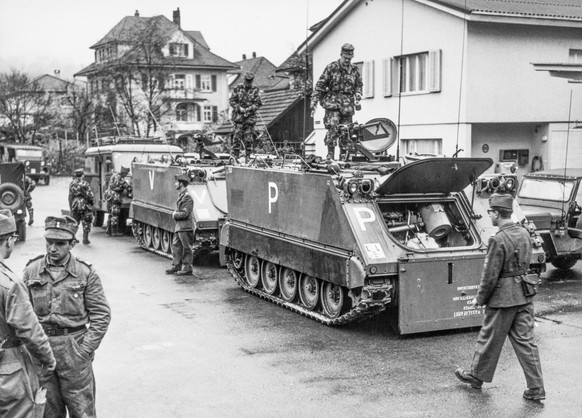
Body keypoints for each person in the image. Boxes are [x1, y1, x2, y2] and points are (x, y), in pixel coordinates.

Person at [455, 193, 545, 401]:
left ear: (496, 213)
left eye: (490, 212)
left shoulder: (498, 239)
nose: (490, 216)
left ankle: (476, 376)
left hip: (502, 298)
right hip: (524, 294)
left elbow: (490, 274)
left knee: (488, 338)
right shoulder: (524, 233)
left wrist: (480, 298)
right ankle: (536, 387)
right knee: (526, 342)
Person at [23, 215, 111, 417]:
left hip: (74, 348)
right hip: (41, 349)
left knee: (82, 410)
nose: (53, 248)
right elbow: (23, 314)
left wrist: (84, 349)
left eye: (60, 243)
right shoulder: (32, 270)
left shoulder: (85, 273)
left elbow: (101, 315)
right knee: (48, 410)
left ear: (72, 244)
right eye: (49, 242)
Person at [0, 209, 56, 417]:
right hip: (8, 369)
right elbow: (29, 330)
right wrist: (48, 360)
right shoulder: (10, 284)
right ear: (8, 241)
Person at [311, 43, 363, 160]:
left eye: (349, 59)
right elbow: (320, 84)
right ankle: (330, 154)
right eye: (345, 58)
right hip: (333, 104)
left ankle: (343, 155)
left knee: (346, 131)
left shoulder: (354, 69)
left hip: (347, 105)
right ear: (341, 55)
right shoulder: (331, 67)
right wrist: (314, 101)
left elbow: (359, 85)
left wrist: (358, 93)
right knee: (333, 128)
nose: (347, 61)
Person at [229, 72, 263, 160]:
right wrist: (239, 108)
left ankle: (248, 157)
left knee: (248, 138)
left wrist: (250, 108)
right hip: (239, 117)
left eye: (250, 81)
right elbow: (232, 101)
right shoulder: (237, 88)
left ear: (252, 81)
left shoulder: (255, 90)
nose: (248, 83)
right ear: (244, 80)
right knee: (237, 137)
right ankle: (235, 156)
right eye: (247, 81)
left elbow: (258, 103)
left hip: (249, 118)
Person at [165, 173, 194, 276]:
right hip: (180, 227)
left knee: (186, 248)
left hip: (185, 227)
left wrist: (174, 214)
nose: (174, 184)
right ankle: (176, 266)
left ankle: (187, 268)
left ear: (181, 183)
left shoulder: (187, 197)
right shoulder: (182, 195)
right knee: (176, 246)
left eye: (176, 182)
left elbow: (185, 213)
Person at [68, 168, 95, 245]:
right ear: (83, 175)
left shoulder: (72, 183)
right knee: (86, 220)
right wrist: (92, 202)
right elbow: (89, 195)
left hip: (75, 203)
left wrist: (71, 206)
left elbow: (70, 196)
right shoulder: (85, 183)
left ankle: (73, 238)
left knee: (75, 220)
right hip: (84, 203)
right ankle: (85, 238)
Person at [106, 165, 132, 236]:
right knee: (115, 214)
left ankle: (109, 231)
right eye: (126, 174)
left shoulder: (114, 175)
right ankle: (114, 232)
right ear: (123, 173)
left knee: (111, 214)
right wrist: (128, 186)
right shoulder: (120, 179)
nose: (126, 175)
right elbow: (125, 187)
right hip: (116, 197)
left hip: (110, 196)